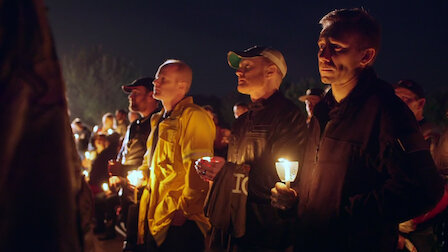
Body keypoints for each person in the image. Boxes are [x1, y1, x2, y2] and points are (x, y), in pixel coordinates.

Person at [270, 8, 444, 251]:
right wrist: (294, 199)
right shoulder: (322, 112)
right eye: (321, 46)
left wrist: (344, 212)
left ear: (366, 56)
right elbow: (322, 183)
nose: (324, 56)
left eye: (337, 47)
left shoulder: (387, 111)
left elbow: (424, 189)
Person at [195, 46, 307, 251]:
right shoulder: (241, 122)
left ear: (270, 71)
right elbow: (237, 171)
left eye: (247, 66)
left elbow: (284, 182)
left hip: (266, 232)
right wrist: (217, 171)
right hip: (233, 226)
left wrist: (228, 173)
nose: (239, 72)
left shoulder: (288, 116)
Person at [136, 59, 215, 251]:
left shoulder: (193, 116)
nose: (155, 83)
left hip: (180, 221)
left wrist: (184, 211)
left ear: (182, 86)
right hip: (156, 215)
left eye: (163, 79)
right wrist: (142, 175)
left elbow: (201, 170)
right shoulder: (158, 119)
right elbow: (150, 160)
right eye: (156, 78)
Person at [394, 80, 448, 251]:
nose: (398, 105)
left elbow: (444, 186)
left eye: (405, 99)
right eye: (395, 99)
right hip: (391, 224)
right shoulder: (391, 132)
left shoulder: (431, 137)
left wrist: (414, 220)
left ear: (421, 103)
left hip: (420, 229)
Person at [108, 77, 159, 251]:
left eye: (136, 93)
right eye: (130, 94)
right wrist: (116, 173)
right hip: (127, 192)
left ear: (152, 95)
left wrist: (122, 170)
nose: (131, 97)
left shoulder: (159, 124)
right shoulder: (134, 125)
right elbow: (124, 153)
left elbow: (153, 161)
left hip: (145, 195)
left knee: (138, 243)